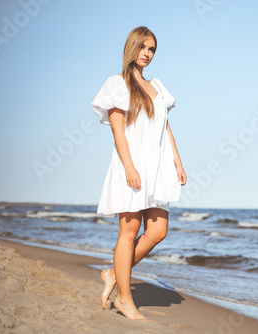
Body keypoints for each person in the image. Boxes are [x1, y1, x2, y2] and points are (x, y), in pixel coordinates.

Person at [90, 26, 187, 321]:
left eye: (152, 49)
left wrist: (177, 161)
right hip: (131, 165)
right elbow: (118, 131)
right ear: (132, 48)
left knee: (158, 231)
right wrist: (129, 166)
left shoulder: (157, 86)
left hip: (157, 167)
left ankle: (112, 273)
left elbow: (165, 128)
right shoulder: (117, 84)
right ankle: (124, 299)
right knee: (128, 233)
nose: (147, 54)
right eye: (143, 47)